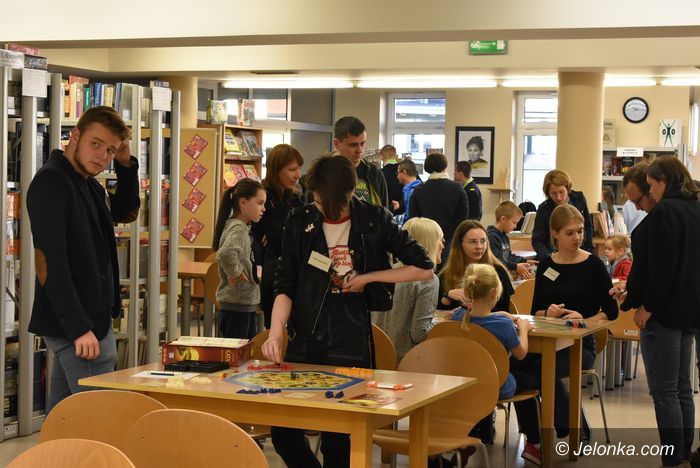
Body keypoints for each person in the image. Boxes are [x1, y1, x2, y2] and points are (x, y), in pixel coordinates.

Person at [262, 155, 434, 468]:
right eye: (316, 200)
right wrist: (275, 332)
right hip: (305, 328)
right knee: (284, 431)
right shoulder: (300, 219)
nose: (320, 207)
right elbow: (285, 283)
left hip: (350, 330)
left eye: (326, 202)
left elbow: (424, 266)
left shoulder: (374, 218)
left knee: (339, 436)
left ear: (349, 193)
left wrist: (369, 278)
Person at [26, 106, 140, 414]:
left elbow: (126, 212)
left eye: (110, 150)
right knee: (96, 420)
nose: (102, 156)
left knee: (64, 419)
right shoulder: (52, 182)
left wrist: (125, 164)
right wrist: (78, 327)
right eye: (95, 144)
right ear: (75, 136)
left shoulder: (88, 184)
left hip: (90, 321)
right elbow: (49, 263)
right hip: (79, 326)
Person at [614, 157, 700, 467]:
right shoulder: (694, 207)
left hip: (662, 314)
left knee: (664, 391)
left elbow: (663, 269)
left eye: (651, 187)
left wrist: (645, 306)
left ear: (664, 182)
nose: (650, 194)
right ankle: (684, 451)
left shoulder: (665, 212)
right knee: (682, 387)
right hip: (689, 312)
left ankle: (673, 456)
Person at [513, 204, 618, 444]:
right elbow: (536, 311)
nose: (577, 237)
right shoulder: (547, 266)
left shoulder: (594, 265)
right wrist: (548, 312)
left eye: (580, 231)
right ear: (555, 234)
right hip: (548, 340)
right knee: (513, 367)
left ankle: (569, 425)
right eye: (570, 233)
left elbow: (611, 312)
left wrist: (584, 320)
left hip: (580, 345)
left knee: (542, 370)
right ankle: (535, 436)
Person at [460, 263, 540, 464]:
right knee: (531, 381)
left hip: (465, 386)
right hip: (498, 386)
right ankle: (534, 443)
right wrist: (523, 329)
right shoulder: (503, 325)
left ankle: (472, 434)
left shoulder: (457, 317)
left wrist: (500, 314)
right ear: (495, 292)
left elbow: (479, 317)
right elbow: (521, 354)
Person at [372, 217, 443, 360]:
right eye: (440, 239)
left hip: (376, 358)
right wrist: (443, 325)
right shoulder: (428, 279)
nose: (442, 245)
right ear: (429, 243)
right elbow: (419, 333)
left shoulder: (386, 271)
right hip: (407, 361)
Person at [251, 144, 304, 329]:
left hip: (297, 276)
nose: (298, 175)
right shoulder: (263, 198)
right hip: (274, 277)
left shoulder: (294, 199)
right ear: (276, 170)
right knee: (275, 331)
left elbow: (302, 236)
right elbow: (274, 240)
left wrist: (284, 233)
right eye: (292, 169)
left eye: (299, 169)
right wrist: (285, 235)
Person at [212, 179, 266, 339]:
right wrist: (236, 274)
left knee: (246, 349)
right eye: (260, 203)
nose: (263, 209)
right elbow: (225, 253)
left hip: (241, 306)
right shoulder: (238, 228)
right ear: (243, 203)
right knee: (238, 351)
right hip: (237, 307)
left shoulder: (237, 226)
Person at [438, 220, 513, 314]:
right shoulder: (445, 275)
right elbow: (436, 312)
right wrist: (447, 296)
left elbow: (505, 310)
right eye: (473, 242)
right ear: (460, 244)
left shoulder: (499, 271)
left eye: (483, 241)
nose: (479, 247)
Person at [410, 152, 469, 265]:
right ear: (445, 167)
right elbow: (463, 218)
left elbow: (413, 219)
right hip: (451, 240)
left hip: (425, 240)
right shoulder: (458, 188)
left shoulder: (418, 190)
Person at [531, 169, 594, 260]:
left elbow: (588, 226)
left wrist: (590, 251)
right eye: (553, 193)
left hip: (580, 254)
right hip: (552, 255)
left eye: (561, 192)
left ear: (567, 189)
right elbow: (537, 240)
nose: (559, 198)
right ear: (548, 193)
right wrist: (549, 258)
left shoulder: (579, 199)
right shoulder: (543, 209)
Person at [332, 116, 389, 209]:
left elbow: (385, 213)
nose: (360, 150)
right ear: (336, 144)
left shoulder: (374, 173)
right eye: (353, 145)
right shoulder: (323, 173)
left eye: (362, 144)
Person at [487, 201, 538, 280]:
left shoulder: (505, 236)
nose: (515, 226)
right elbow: (496, 261)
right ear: (503, 219)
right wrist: (515, 266)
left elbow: (508, 256)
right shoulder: (492, 237)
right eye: (514, 222)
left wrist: (524, 261)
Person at [396, 158, 422, 225]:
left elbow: (409, 219)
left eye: (398, 173)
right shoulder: (421, 188)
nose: (397, 176)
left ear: (404, 172)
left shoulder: (410, 192)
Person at [379, 144, 403, 215]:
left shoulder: (380, 174)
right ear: (396, 156)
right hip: (406, 211)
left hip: (388, 212)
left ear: (381, 157)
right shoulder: (406, 170)